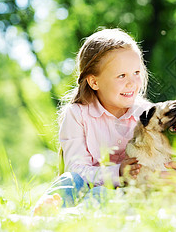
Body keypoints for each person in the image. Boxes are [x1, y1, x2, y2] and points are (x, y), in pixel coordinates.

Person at [33, 28, 151, 215]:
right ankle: (43, 213)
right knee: (69, 180)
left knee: (103, 194)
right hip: (84, 186)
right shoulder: (77, 115)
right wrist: (117, 172)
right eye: (122, 76)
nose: (132, 82)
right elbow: (77, 171)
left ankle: (68, 218)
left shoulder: (146, 114)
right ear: (94, 82)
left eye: (136, 72)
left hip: (125, 193)